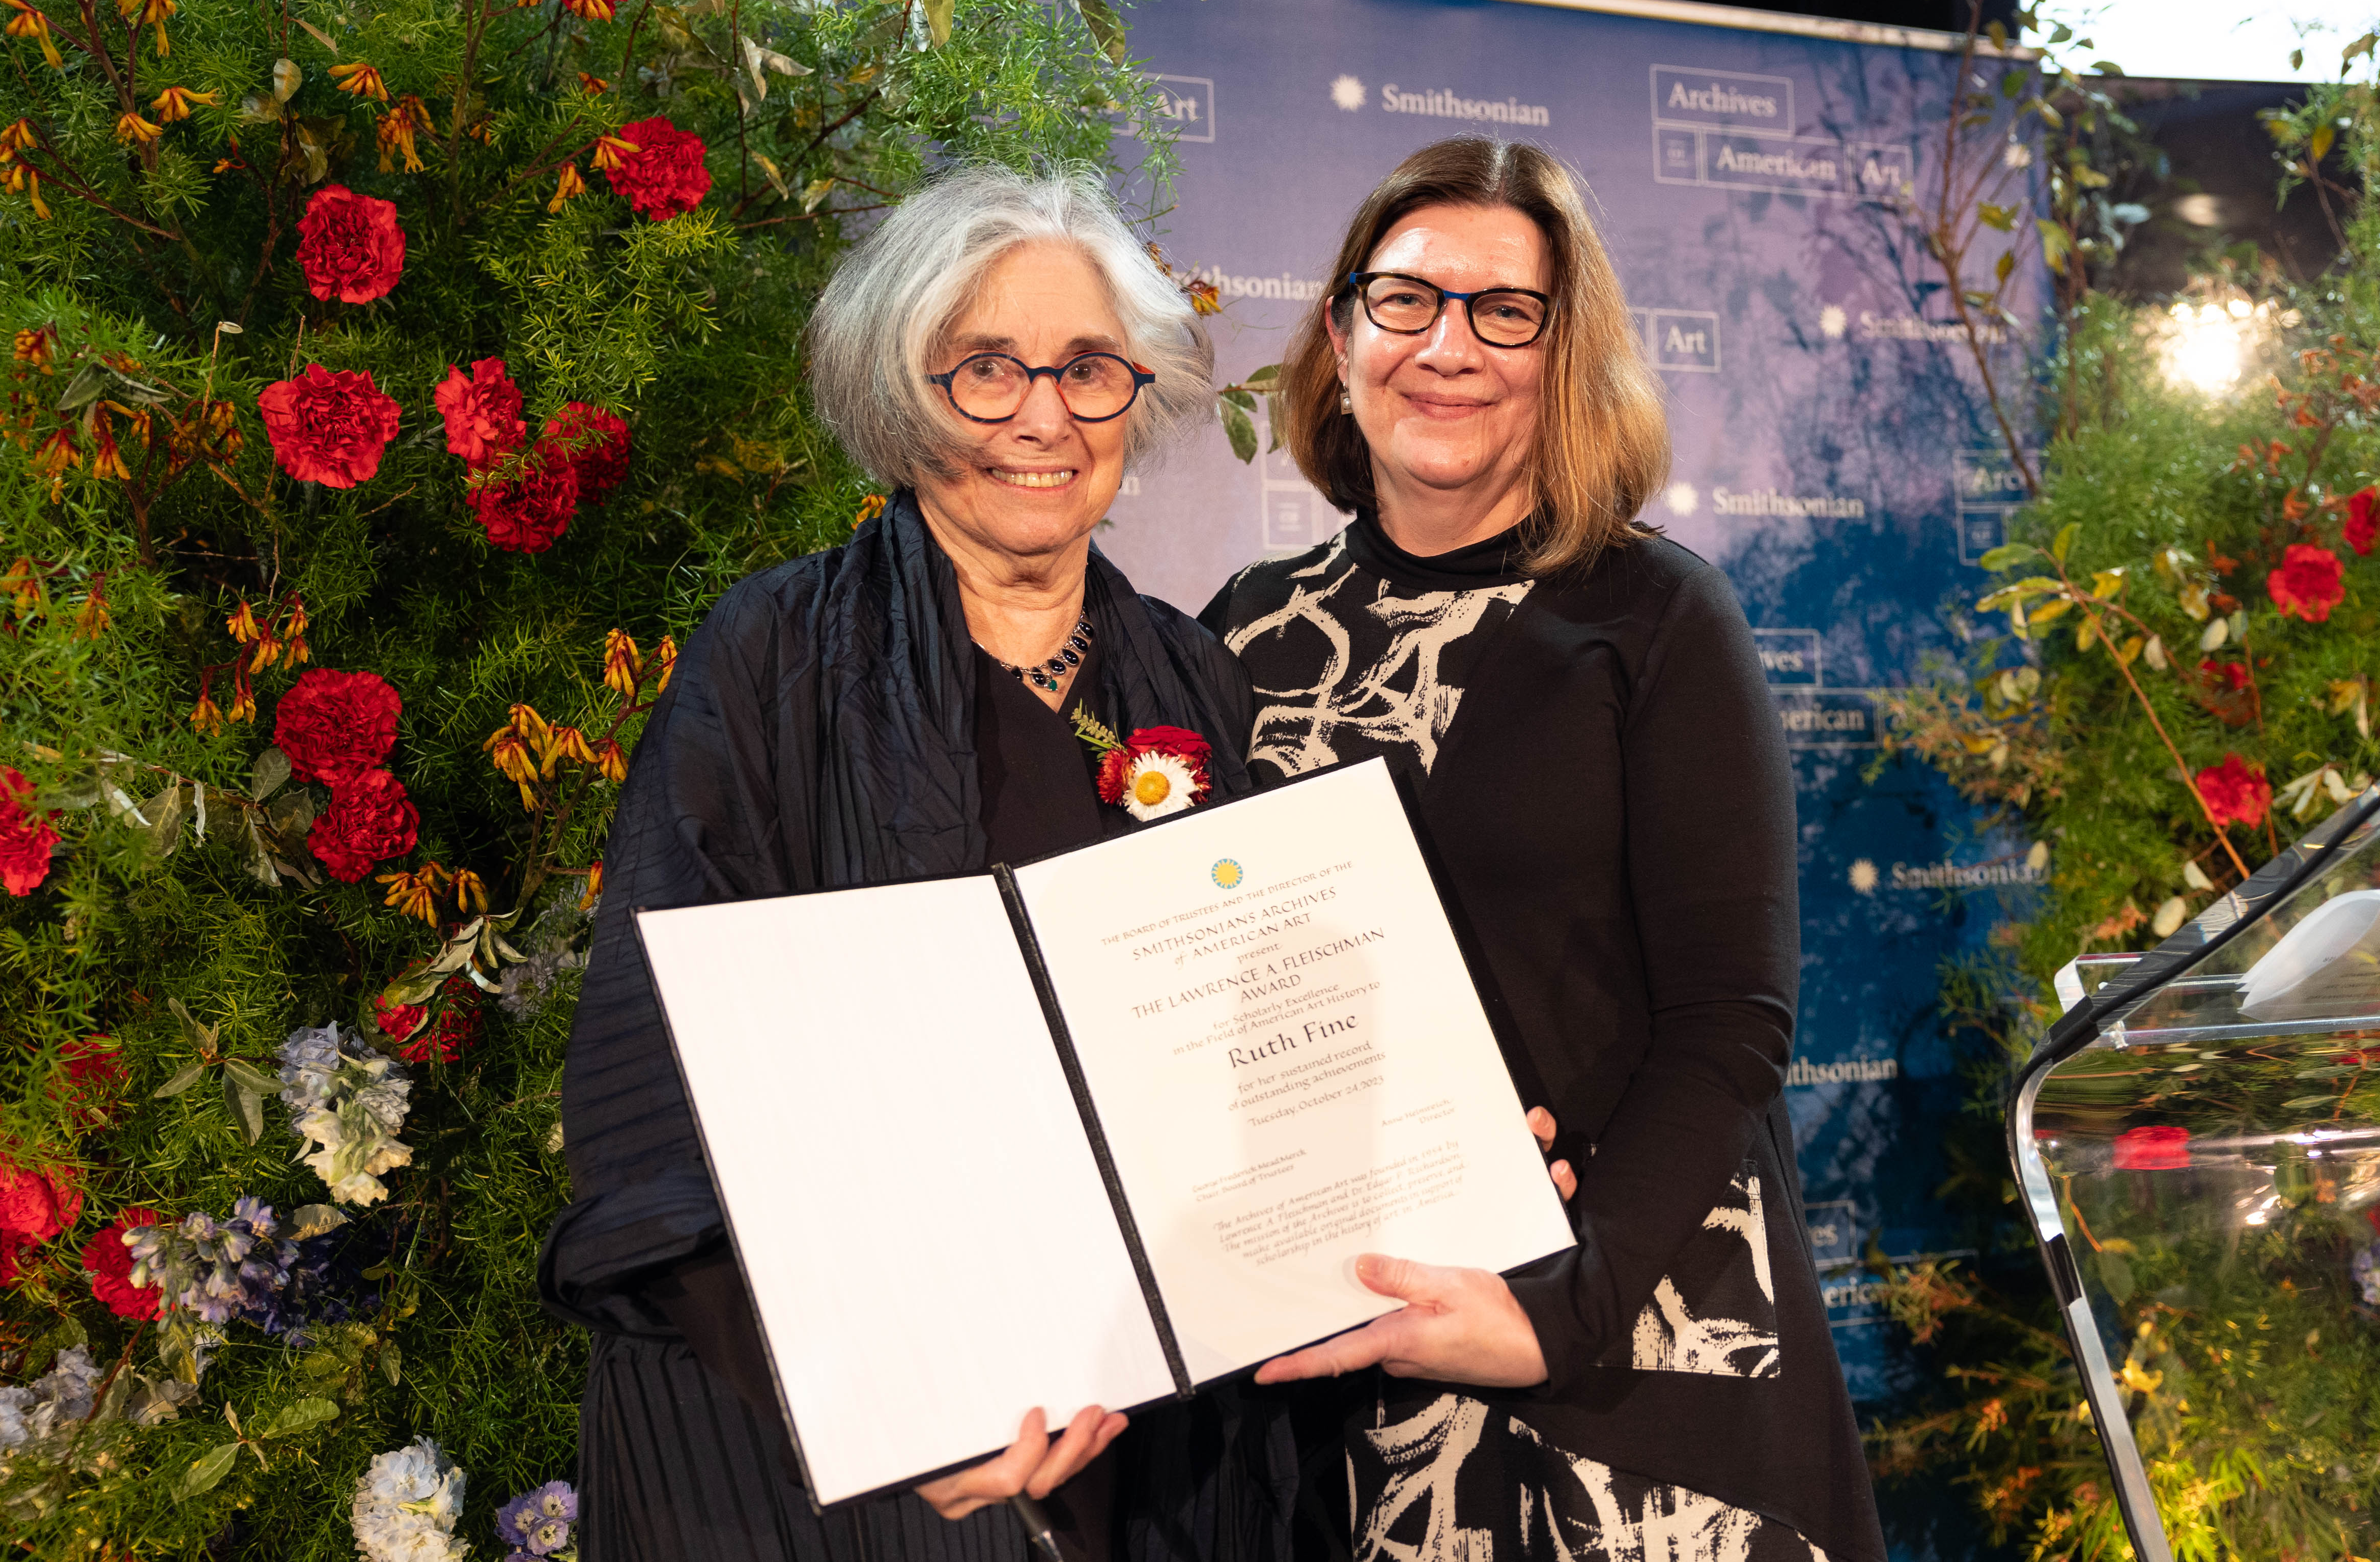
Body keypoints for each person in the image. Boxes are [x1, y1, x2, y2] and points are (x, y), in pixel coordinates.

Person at [537, 166, 1289, 1562]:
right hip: (829, 1457)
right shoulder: (770, 656)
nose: (1043, 417)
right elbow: (655, 1074)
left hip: (1143, 1450)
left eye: (1085, 368)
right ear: (900, 392)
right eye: (985, 370)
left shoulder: (1192, 676)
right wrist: (894, 1396)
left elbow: (1251, 1050)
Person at [1200, 137, 1886, 1562]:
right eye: (1405, 300)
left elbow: (1728, 1025)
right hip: (1349, 1359)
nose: (1447, 345)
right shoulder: (1241, 631)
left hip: (1629, 1356)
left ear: (1563, 351)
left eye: (1503, 310)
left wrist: (1555, 1304)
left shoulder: (1655, 616)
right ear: (1340, 332)